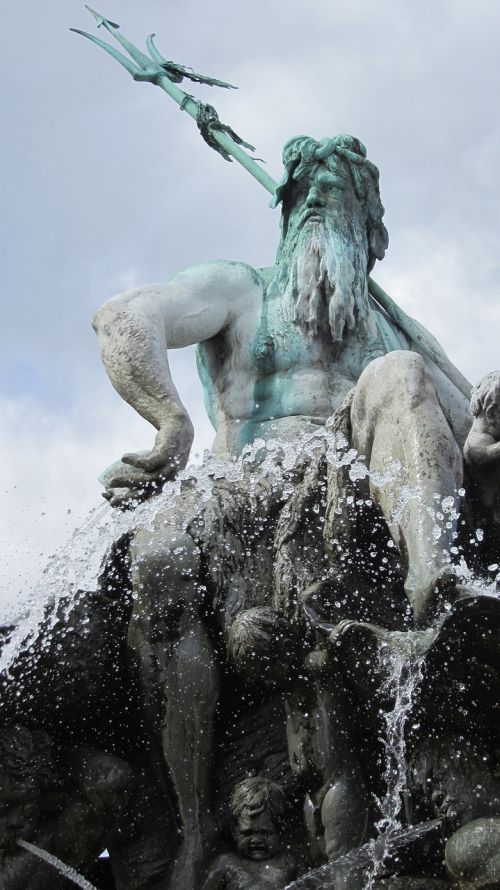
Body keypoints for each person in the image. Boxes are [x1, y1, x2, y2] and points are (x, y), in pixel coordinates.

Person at [92, 134, 472, 888]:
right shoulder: (240, 288)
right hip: (239, 485)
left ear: (373, 234)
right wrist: (168, 423)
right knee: (158, 556)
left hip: (347, 488)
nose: (319, 211)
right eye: (305, 200)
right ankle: (194, 827)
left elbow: (474, 441)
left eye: (341, 200)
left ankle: (437, 586)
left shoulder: (400, 336)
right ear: (286, 217)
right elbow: (126, 316)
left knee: (401, 375)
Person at [201, 778, 298, 890]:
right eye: (247, 833)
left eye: (265, 833)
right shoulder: (226, 864)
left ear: (281, 830)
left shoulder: (290, 863)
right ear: (234, 832)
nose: (256, 840)